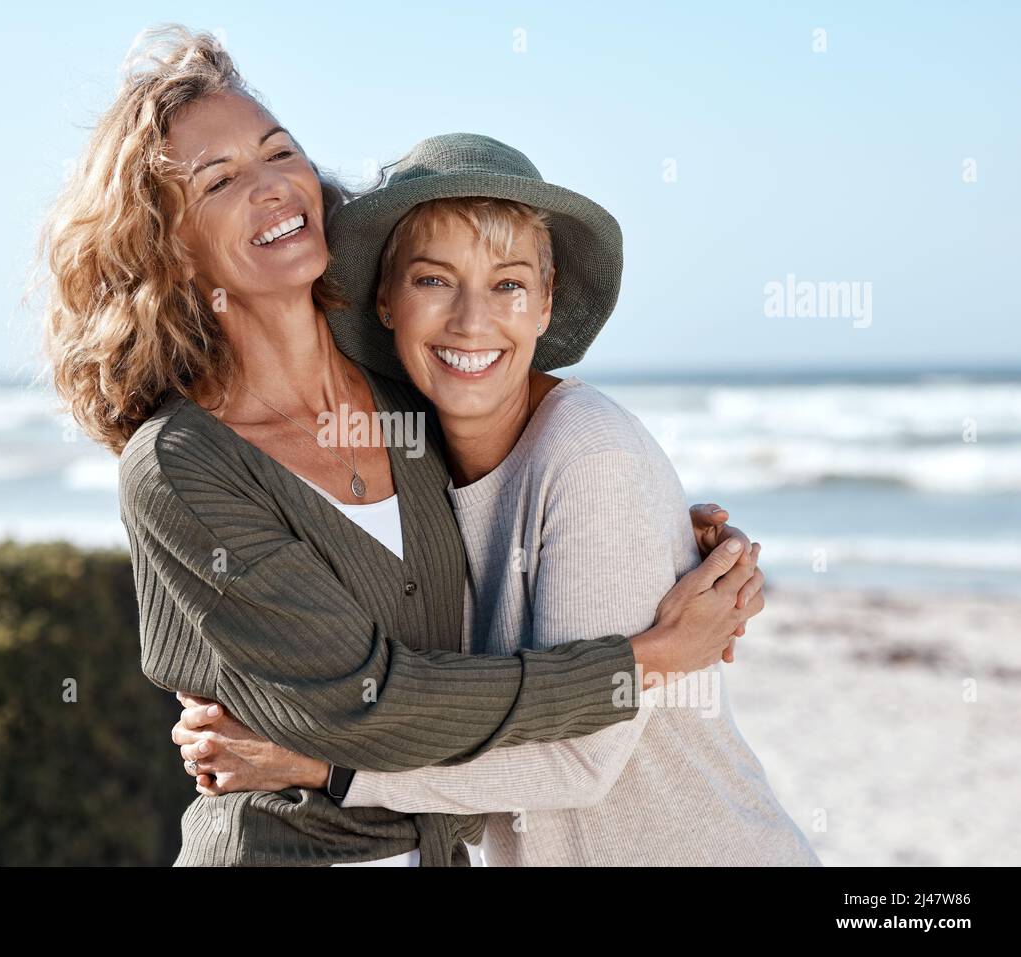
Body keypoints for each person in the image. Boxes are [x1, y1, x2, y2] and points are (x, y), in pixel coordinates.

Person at [42, 26, 762, 866]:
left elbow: (524, 497)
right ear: (167, 245)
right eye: (221, 179)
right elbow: (367, 702)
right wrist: (641, 660)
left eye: (280, 152)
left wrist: (670, 537)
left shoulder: (406, 405)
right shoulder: (180, 465)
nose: (272, 187)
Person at [172, 134, 818, 866]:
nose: (471, 321)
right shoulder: (411, 465)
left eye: (508, 284)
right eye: (433, 281)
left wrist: (323, 767)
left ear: (546, 304)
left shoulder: (588, 454)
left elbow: (576, 763)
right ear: (386, 300)